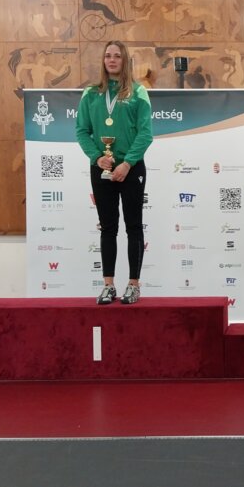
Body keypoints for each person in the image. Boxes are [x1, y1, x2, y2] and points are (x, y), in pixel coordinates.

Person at [76, 40, 153, 304]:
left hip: (131, 168)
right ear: (103, 60)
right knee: (108, 228)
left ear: (124, 60)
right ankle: (108, 285)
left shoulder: (138, 92)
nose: (111, 60)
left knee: (133, 226)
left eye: (117, 56)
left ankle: (134, 284)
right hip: (102, 168)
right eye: (108, 55)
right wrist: (97, 157)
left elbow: (145, 133)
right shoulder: (91, 94)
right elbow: (82, 131)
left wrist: (127, 163)